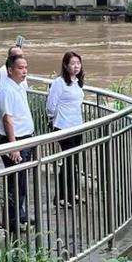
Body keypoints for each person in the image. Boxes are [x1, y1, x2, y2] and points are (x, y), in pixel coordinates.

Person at [0, 54, 34, 231]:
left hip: (25, 139)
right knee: (15, 183)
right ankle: (13, 222)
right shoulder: (6, 90)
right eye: (20, 68)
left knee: (21, 182)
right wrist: (14, 146)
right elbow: (7, 119)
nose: (24, 71)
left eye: (25, 67)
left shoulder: (18, 86)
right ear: (10, 70)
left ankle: (20, 216)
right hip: (16, 142)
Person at [46, 51, 85, 208]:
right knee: (68, 160)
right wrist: (51, 119)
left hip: (77, 126)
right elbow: (51, 104)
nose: (76, 66)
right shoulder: (59, 83)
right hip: (63, 126)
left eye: (78, 63)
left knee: (74, 161)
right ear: (65, 65)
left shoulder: (77, 82)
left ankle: (71, 194)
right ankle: (62, 197)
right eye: (72, 63)